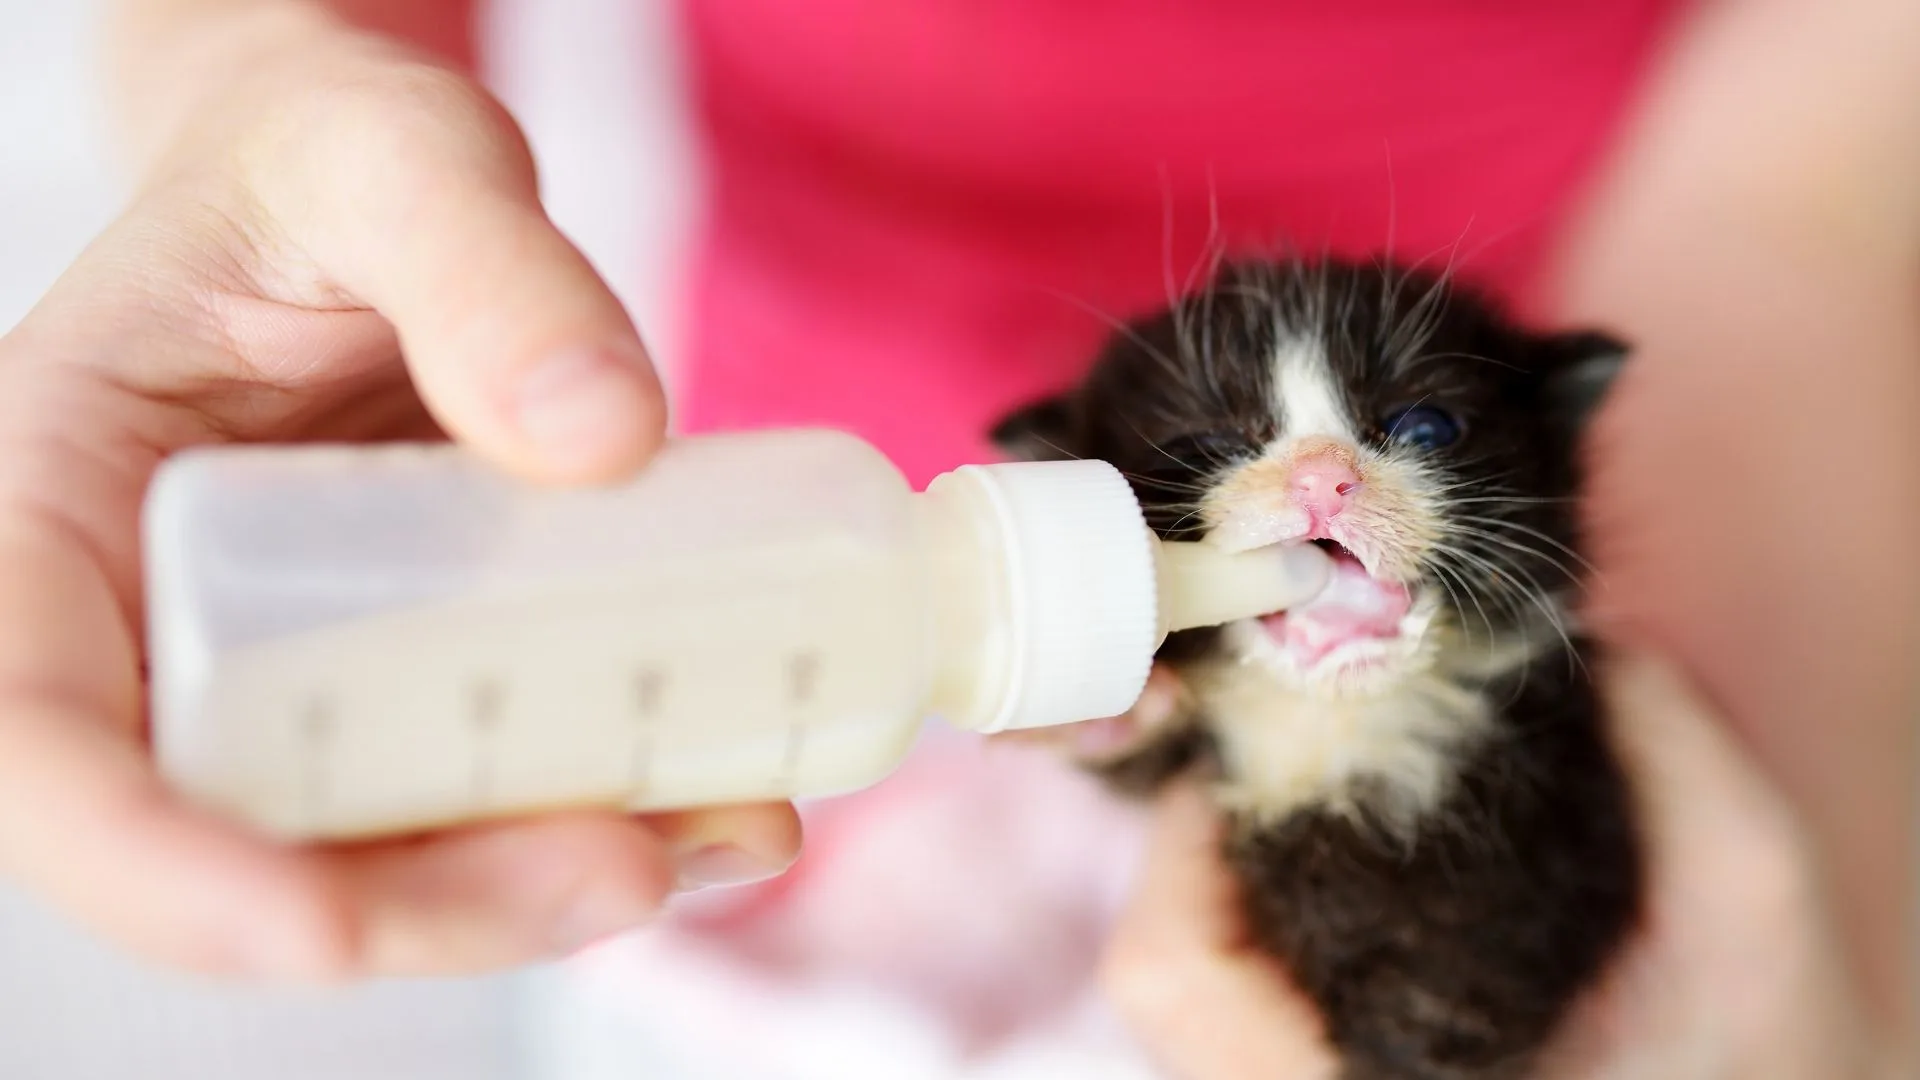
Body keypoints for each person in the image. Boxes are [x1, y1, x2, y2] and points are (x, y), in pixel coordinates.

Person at [0, 0, 1909, 1072]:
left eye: (1373, 444)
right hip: (702, 628)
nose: (1315, 491)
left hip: (1713, 521)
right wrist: (267, 90)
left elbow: (1817, 187)